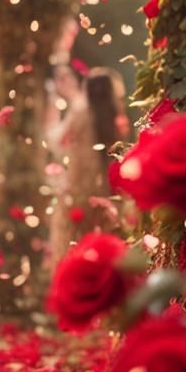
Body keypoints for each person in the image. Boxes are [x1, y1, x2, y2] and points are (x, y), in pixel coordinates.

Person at [47, 67, 128, 265]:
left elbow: (57, 141)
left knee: (73, 245)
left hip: (77, 189)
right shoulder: (114, 116)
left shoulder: (81, 111)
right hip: (106, 190)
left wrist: (53, 112)